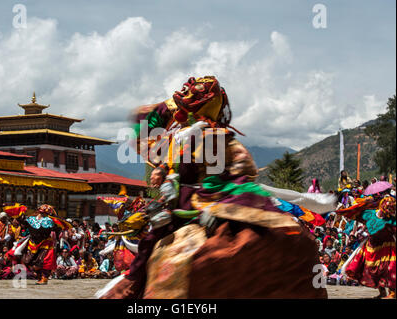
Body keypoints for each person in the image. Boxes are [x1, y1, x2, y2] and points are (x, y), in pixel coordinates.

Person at [98, 75, 327, 299]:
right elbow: (146, 131)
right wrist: (166, 172)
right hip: (187, 208)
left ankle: (134, 286)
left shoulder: (214, 139)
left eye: (189, 103)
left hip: (208, 207)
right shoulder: (183, 139)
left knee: (155, 252)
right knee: (151, 248)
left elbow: (238, 175)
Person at [337, 195, 396, 298]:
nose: (389, 212)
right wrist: (364, 202)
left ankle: (393, 293)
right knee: (373, 270)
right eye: (388, 209)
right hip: (372, 246)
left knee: (388, 270)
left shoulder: (391, 220)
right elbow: (357, 213)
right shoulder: (369, 214)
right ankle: (382, 291)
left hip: (387, 247)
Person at [5, 204, 71, 285]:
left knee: (43, 261)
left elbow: (58, 230)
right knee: (27, 260)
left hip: (45, 243)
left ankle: (44, 277)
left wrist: (60, 235)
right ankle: (40, 276)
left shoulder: (50, 221)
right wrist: (17, 214)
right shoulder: (30, 219)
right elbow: (22, 222)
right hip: (32, 243)